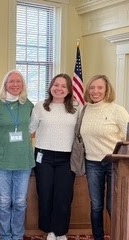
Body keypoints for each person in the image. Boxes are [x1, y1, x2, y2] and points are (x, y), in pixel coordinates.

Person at [0, 70, 35, 240]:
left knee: (20, 202)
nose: (15, 84)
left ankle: (17, 236)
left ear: (23, 85)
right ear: (5, 84)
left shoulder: (28, 105)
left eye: (18, 81)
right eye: (11, 81)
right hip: (1, 162)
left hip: (23, 161)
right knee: (4, 202)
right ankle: (5, 236)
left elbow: (33, 129)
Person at [29, 74, 81, 240]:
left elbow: (82, 132)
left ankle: (61, 231)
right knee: (45, 194)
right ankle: (49, 230)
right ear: (50, 86)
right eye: (56, 85)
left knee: (63, 196)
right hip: (43, 156)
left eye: (63, 86)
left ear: (69, 90)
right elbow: (30, 131)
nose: (59, 89)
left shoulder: (76, 107)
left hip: (66, 158)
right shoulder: (40, 107)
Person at [80, 75, 129, 240]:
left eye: (100, 88)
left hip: (115, 164)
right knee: (96, 206)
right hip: (92, 163)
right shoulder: (84, 110)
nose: (95, 91)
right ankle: (98, 237)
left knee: (113, 206)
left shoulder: (117, 110)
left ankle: (120, 235)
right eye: (92, 88)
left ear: (107, 90)